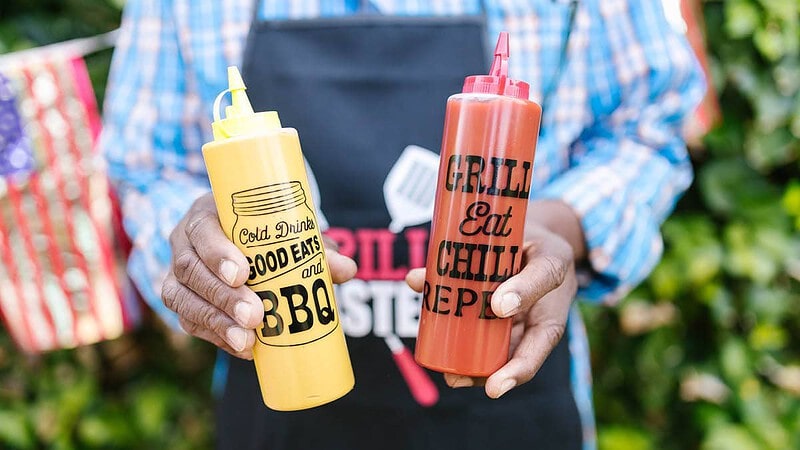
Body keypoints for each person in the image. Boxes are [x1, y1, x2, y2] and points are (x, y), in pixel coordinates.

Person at [100, 1, 704, 449]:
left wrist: (559, 224)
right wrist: (196, 253)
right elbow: (148, 170)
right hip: (278, 411)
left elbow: (648, 130)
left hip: (512, 410)